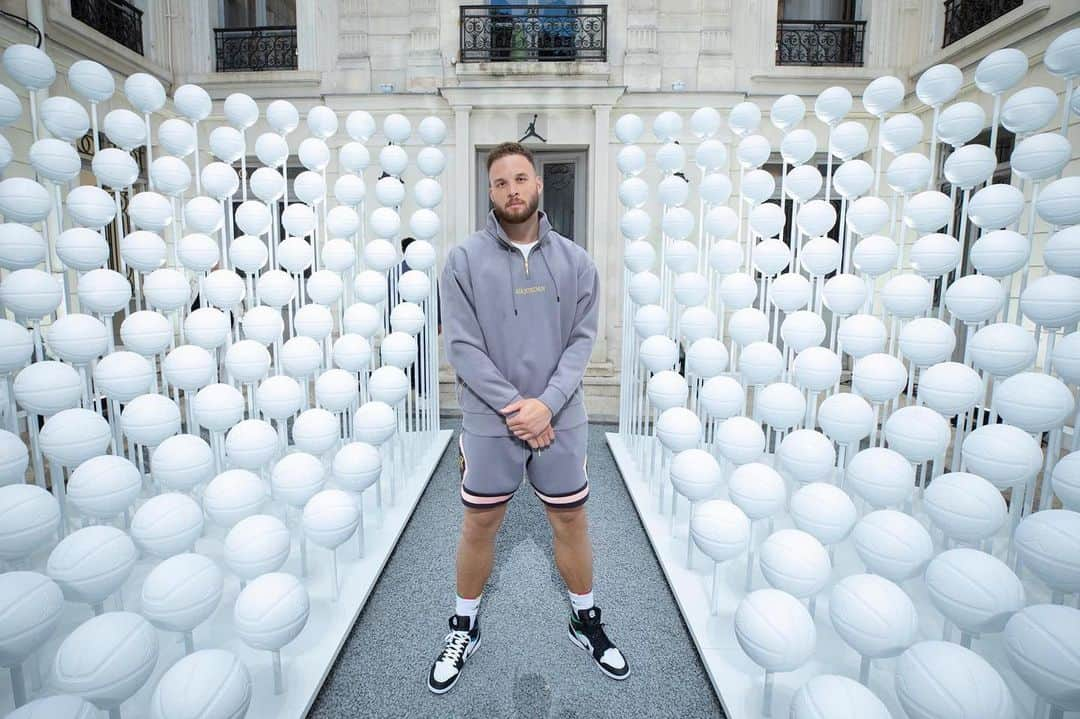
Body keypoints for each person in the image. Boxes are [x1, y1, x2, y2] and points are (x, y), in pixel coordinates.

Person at [428, 141, 628, 694]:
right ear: (489, 191)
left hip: (560, 418)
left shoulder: (576, 261)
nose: (512, 189)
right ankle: (464, 624)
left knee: (570, 522)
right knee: (480, 523)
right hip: (492, 422)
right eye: (500, 182)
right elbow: (463, 347)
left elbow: (582, 341)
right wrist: (520, 410)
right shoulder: (464, 260)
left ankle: (585, 620)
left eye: (521, 178)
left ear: (537, 185)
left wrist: (547, 404)